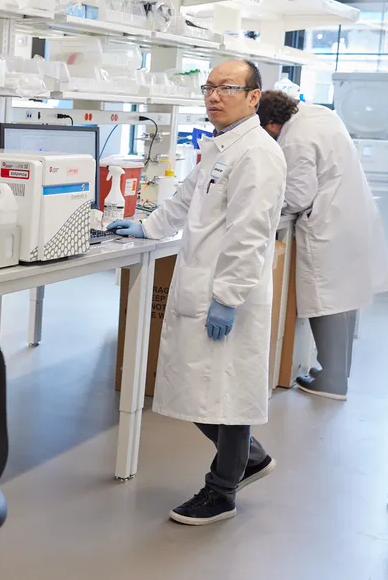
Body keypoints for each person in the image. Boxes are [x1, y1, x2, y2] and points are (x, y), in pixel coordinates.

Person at [108, 60, 287, 526]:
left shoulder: (258, 154)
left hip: (228, 291)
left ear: (253, 97)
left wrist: (228, 296)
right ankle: (248, 458)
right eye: (209, 86)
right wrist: (148, 227)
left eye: (227, 87)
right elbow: (187, 198)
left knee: (224, 394)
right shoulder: (220, 146)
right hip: (202, 285)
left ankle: (222, 490)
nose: (213, 95)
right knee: (197, 388)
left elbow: (250, 233)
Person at [257, 90, 388, 401]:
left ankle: (332, 380)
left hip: (329, 221)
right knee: (344, 301)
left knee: (325, 300)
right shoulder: (317, 113)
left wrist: (262, 205)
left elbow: (298, 196)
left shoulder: (294, 140)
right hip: (353, 212)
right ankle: (337, 371)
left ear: (272, 125)